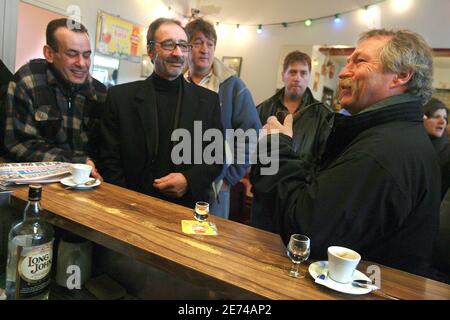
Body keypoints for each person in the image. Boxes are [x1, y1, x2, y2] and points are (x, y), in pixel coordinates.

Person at [251, 29, 440, 278]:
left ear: (401, 76)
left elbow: (305, 233)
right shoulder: (390, 137)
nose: (343, 71)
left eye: (359, 61)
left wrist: (276, 146)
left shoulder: (384, 152)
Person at [99, 18, 223, 208]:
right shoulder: (120, 98)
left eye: (183, 45)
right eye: (168, 45)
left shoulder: (208, 101)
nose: (178, 53)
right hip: (129, 207)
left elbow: (215, 158)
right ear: (150, 51)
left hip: (184, 209)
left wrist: (188, 180)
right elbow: (109, 158)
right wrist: (126, 202)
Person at [3, 19, 106, 179]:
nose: (82, 63)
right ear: (49, 53)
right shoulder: (28, 81)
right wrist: (75, 162)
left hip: (89, 184)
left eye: (86, 55)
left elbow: (107, 150)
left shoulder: (99, 93)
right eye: (72, 54)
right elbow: (18, 144)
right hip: (37, 183)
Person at [184, 18, 261, 219]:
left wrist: (229, 178)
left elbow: (250, 133)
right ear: (186, 47)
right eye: (198, 42)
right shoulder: (177, 81)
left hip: (216, 186)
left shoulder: (232, 86)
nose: (205, 49)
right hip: (180, 180)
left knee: (210, 243)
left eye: (210, 44)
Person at [252, 51, 333, 230]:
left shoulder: (324, 116)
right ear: (284, 76)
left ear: (309, 77)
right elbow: (251, 151)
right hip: (264, 199)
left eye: (303, 73)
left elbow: (324, 163)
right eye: (292, 72)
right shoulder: (262, 109)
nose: (297, 78)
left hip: (300, 200)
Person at [423, 98, 450, 198]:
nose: (442, 122)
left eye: (445, 118)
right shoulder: (410, 147)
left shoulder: (447, 152)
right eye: (436, 117)